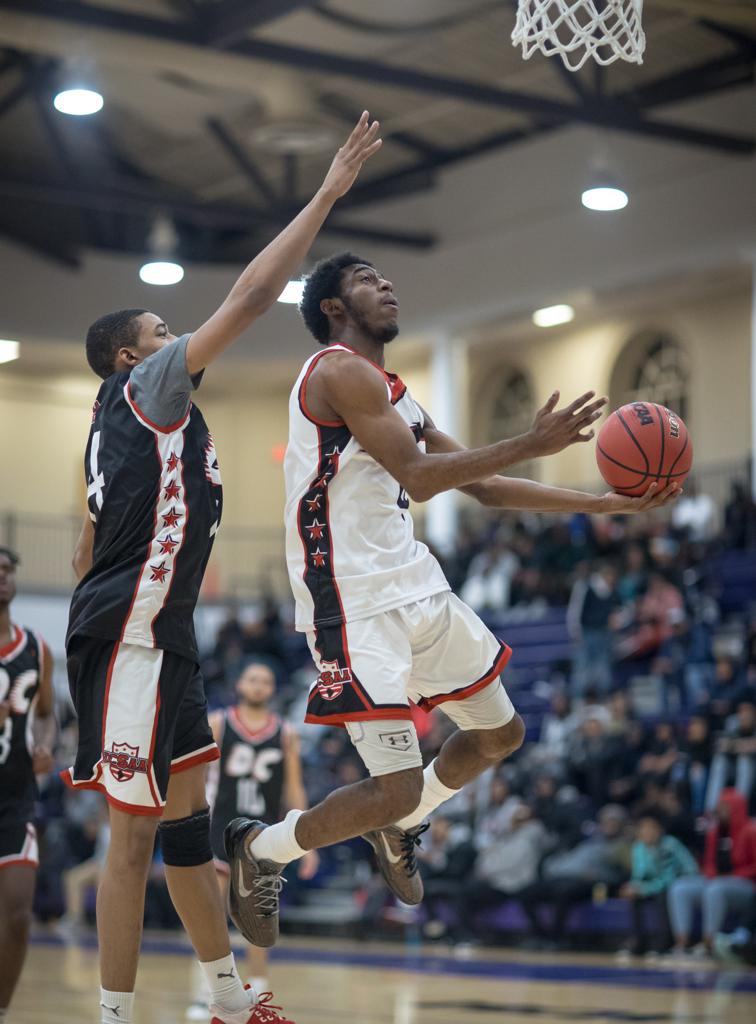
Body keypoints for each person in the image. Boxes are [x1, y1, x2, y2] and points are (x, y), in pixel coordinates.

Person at [222, 250, 679, 949]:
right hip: (351, 601)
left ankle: (402, 824)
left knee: (501, 735)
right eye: (369, 279)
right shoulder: (336, 371)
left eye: (384, 275)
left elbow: (487, 492)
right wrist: (527, 440)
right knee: (395, 786)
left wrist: (603, 504)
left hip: (417, 584)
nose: (388, 284)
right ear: (336, 309)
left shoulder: (400, 395)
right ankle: (263, 851)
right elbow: (419, 475)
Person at [60, 115, 383, 1024]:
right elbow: (248, 297)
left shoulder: (129, 424)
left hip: (164, 635)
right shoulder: (147, 388)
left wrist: (97, 555)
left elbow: (88, 535)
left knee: (189, 835)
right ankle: (114, 1017)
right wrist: (324, 196)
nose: (176, 343)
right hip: (130, 636)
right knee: (130, 840)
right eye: (161, 333)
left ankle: (234, 1002)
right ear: (133, 357)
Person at [187, 662, 318, 1021]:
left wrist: (306, 840)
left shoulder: (286, 733)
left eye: (266, 680)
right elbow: (196, 776)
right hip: (218, 828)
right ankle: (208, 992)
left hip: (262, 833)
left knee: (258, 915)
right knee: (211, 913)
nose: (258, 685)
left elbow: (294, 789)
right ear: (240, 683)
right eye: (252, 678)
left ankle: (258, 989)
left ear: (273, 688)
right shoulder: (218, 723)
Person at [0, 547, 55, 1023]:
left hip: (14, 798)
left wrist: (44, 743)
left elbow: (46, 715)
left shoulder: (36, 648)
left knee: (18, 916)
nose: (2, 577)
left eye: (7, 570)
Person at [517, 804, 631, 948]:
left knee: (563, 892)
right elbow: (566, 861)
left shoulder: (622, 846)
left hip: (589, 883)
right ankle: (539, 935)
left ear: (621, 824)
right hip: (561, 877)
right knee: (525, 893)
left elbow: (622, 873)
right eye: (606, 821)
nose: (609, 825)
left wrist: (601, 876)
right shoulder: (589, 842)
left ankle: (556, 938)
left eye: (613, 822)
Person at [667, 789, 756, 957]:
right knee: (681, 887)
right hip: (718, 881)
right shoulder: (714, 832)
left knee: (715, 889)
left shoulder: (751, 831)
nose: (719, 811)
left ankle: (708, 945)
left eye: (724, 807)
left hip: (746, 885)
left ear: (735, 808)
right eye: (719, 806)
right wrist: (712, 873)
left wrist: (733, 875)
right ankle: (682, 944)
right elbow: (708, 863)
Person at [617, 813, 698, 958]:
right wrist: (632, 887)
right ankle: (638, 943)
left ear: (659, 830)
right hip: (656, 884)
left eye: (651, 828)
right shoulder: (639, 847)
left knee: (663, 896)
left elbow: (668, 879)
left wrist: (643, 889)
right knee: (634, 898)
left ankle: (662, 945)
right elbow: (639, 874)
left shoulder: (669, 845)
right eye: (643, 829)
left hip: (683, 882)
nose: (646, 832)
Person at [705, 697, 756, 812]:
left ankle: (738, 809)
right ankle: (710, 811)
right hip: (735, 768)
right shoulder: (733, 724)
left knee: (745, 761)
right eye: (741, 711)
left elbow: (752, 746)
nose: (744, 715)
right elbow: (719, 744)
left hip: (752, 768)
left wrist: (734, 745)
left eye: (748, 711)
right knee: (719, 761)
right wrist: (739, 745)